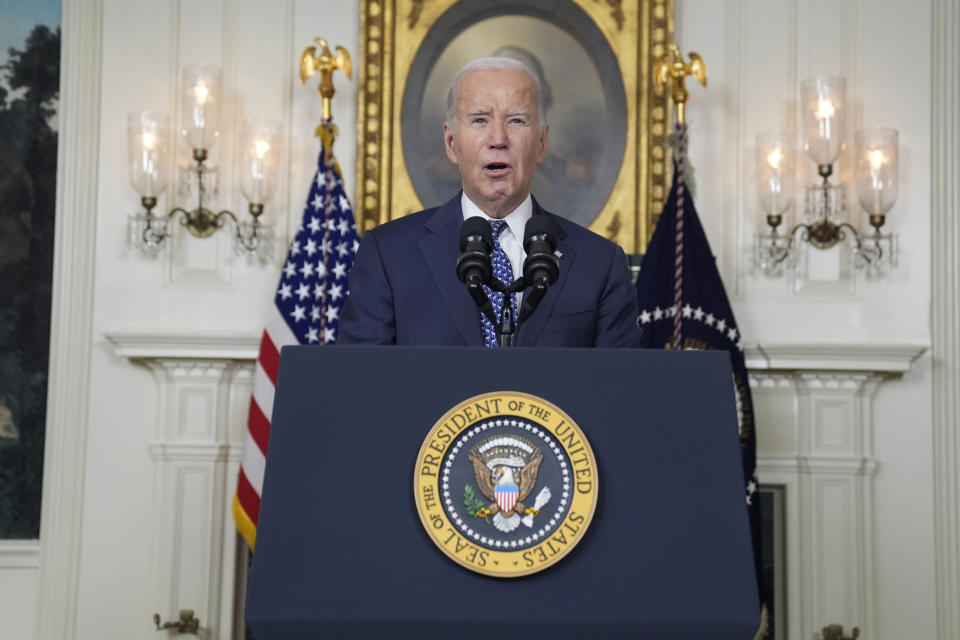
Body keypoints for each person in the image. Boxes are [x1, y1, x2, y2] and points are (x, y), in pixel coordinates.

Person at [338, 56, 641, 347]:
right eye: (480, 120)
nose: (498, 138)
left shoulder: (600, 263)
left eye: (517, 121)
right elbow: (361, 383)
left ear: (542, 144)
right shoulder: (388, 254)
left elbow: (619, 390)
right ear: (451, 143)